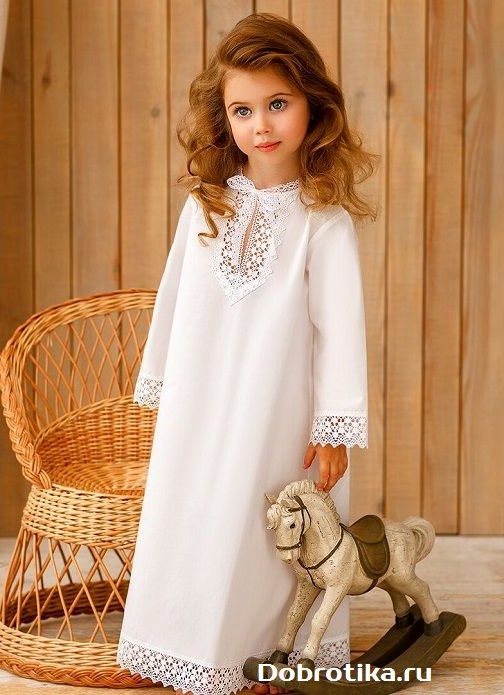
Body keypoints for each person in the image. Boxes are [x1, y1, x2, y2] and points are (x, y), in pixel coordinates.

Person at [116, 12, 378, 695]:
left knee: (265, 531)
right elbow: (175, 301)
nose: (261, 125)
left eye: (277, 104)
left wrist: (333, 427)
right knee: (193, 515)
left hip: (276, 410)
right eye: (243, 110)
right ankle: (180, 644)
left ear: (312, 106)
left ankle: (266, 654)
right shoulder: (205, 206)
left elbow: (340, 329)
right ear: (223, 118)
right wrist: (162, 387)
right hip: (201, 403)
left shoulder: (324, 219)